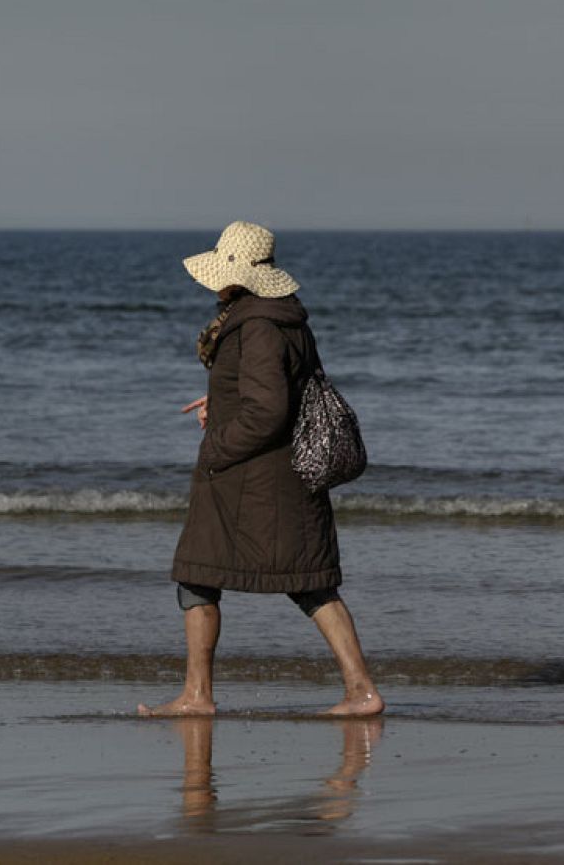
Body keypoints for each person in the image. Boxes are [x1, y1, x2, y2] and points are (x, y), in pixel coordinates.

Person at [139, 221, 383, 717]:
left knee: (198, 575)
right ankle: (360, 691)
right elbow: (281, 389)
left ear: (237, 274)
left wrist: (216, 449)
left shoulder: (255, 324)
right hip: (274, 477)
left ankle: (198, 697)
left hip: (251, 478)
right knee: (308, 582)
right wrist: (221, 398)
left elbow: (269, 410)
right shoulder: (279, 318)